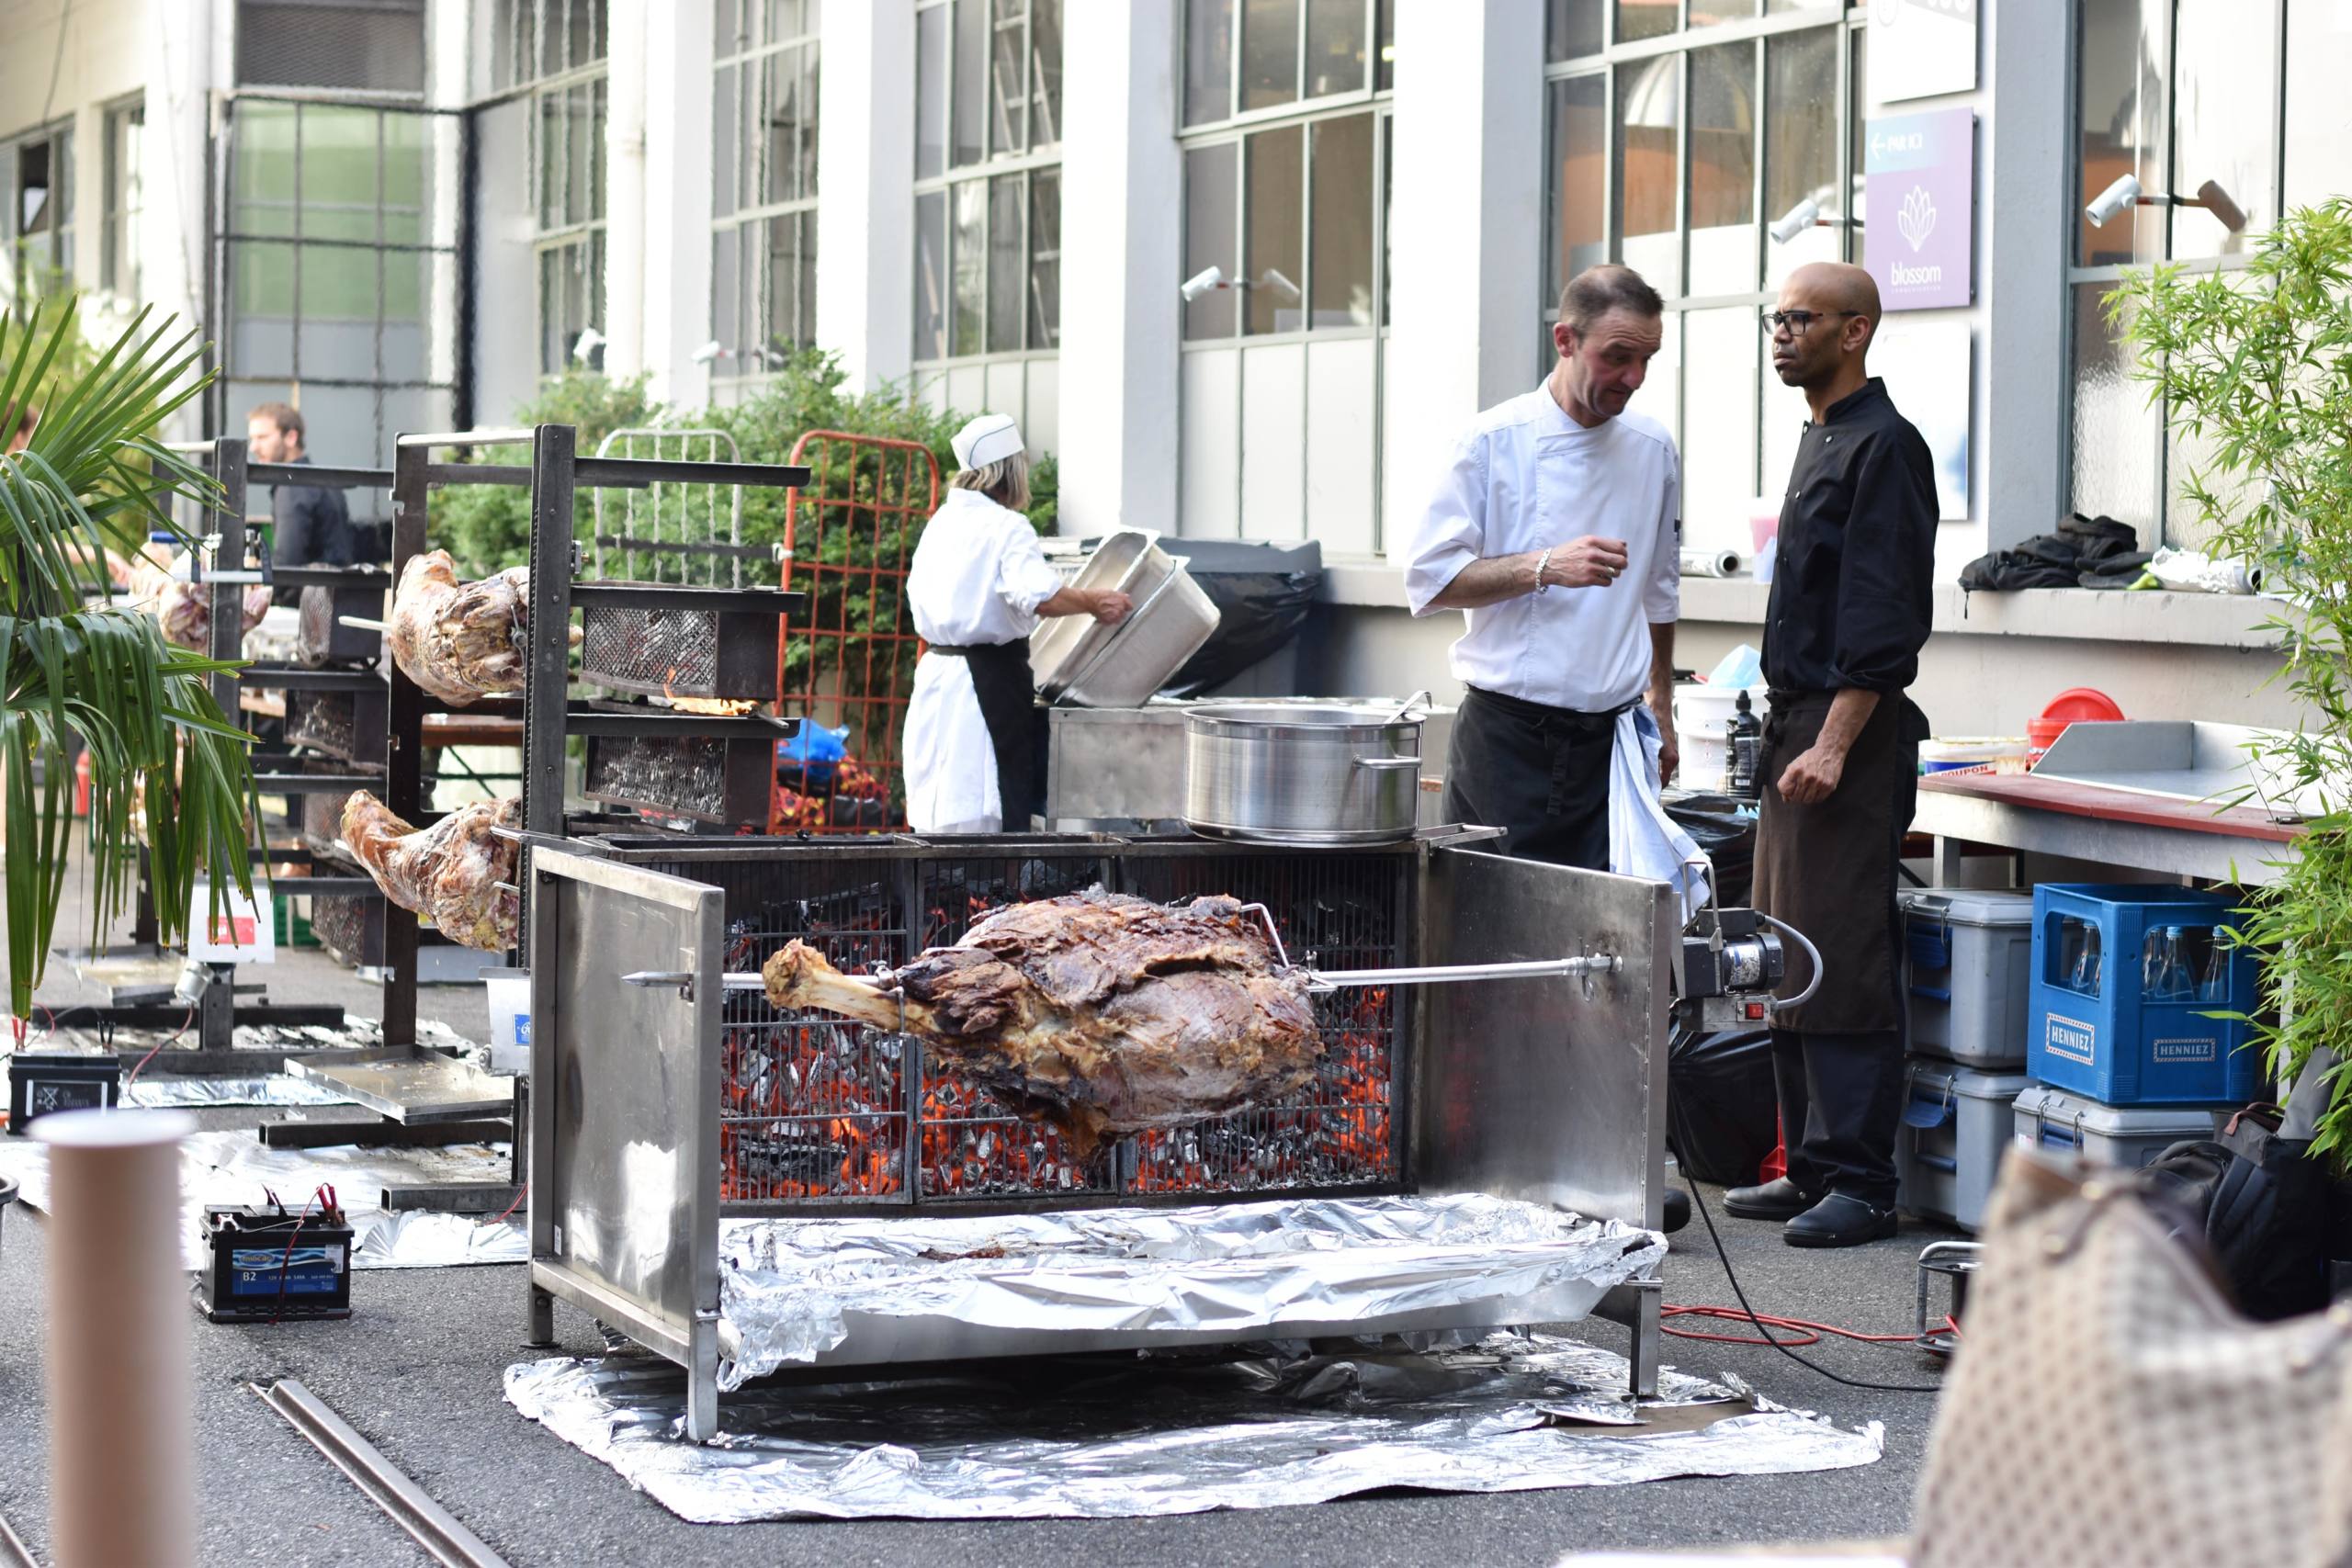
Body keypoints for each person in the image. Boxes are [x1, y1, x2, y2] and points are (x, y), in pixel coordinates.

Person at [1724, 262, 1938, 1248]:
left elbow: (1883, 617)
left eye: (1801, 319)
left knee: (1843, 950)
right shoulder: (1821, 437)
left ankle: (1860, 1180)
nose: (1781, 333)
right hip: (1791, 724)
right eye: (1775, 319)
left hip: (1843, 733)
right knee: (1785, 949)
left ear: (1854, 332)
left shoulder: (1884, 448)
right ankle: (1808, 1167)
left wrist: (1834, 744)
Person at [1404, 264, 1696, 891]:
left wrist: (1662, 707)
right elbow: (1429, 580)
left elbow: (1660, 589)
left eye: (1647, 359)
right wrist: (1542, 566)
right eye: (1617, 357)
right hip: (1506, 742)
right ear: (1565, 340)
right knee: (1491, 928)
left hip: (1612, 746)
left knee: (1606, 944)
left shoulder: (1653, 448)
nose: (1634, 379)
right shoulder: (1489, 442)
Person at [902, 413, 1131, 835]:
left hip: (937, 674)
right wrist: (1095, 602)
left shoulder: (940, 523)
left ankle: (944, 896)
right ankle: (990, 897)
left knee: (941, 807)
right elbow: (1041, 595)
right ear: (1009, 471)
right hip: (986, 683)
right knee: (987, 807)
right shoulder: (1006, 526)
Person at [248, 401, 365, 604]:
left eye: (262, 437)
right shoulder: (320, 478)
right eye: (252, 439)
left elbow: (287, 563)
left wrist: (254, 597)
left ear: (291, 437)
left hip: (311, 611)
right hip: (337, 604)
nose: (253, 447)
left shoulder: (292, 487)